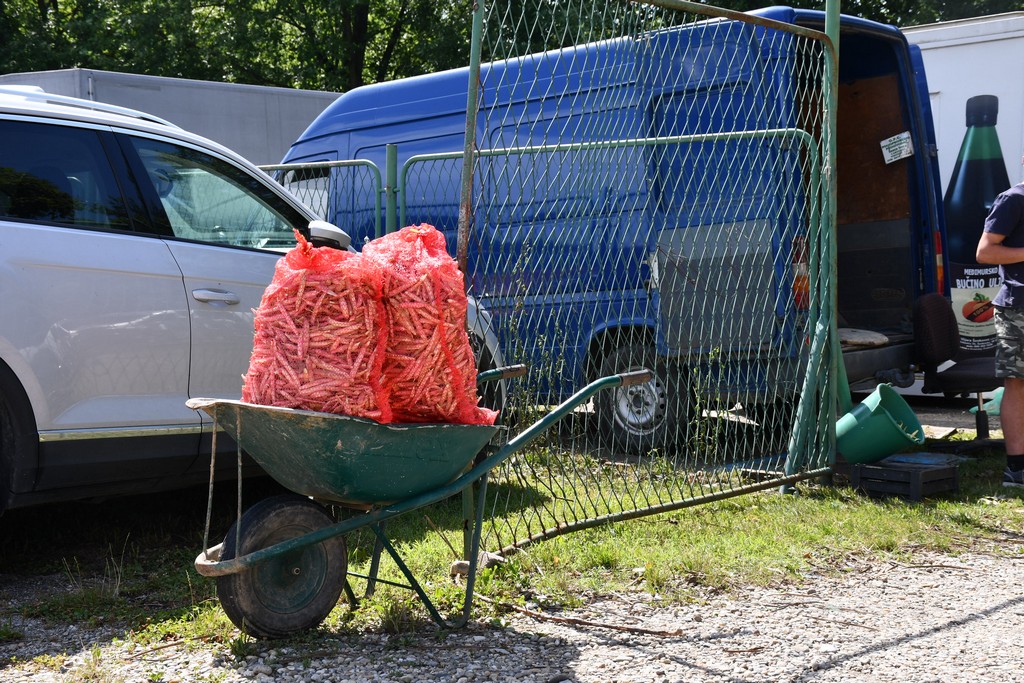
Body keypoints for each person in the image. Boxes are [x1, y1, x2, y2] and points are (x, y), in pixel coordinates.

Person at [976, 156, 1024, 487]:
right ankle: (1017, 469)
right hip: (1018, 309)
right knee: (1018, 385)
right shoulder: (1014, 199)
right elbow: (985, 252)